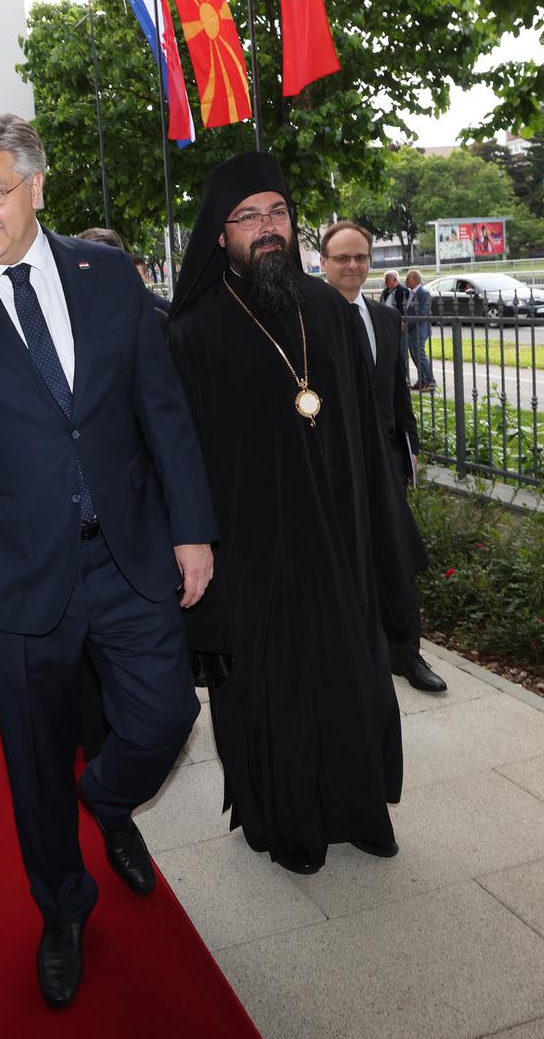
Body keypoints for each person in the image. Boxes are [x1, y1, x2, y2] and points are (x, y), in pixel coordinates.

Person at [0, 110, 215, 1009]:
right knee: (30, 759)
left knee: (165, 716)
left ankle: (107, 800)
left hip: (128, 552)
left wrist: (192, 529)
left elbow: (160, 409)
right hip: (17, 575)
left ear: (35, 185)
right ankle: (62, 907)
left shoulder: (105, 275)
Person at [166, 152, 425, 877]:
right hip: (253, 555)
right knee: (273, 691)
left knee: (351, 673)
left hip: (337, 540)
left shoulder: (327, 312)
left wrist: (381, 534)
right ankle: (287, 826)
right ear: (221, 237)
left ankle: (359, 808)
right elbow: (180, 458)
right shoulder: (191, 335)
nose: (266, 227)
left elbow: (365, 438)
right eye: (246, 217)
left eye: (275, 211)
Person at [320, 222, 445, 694]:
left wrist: (407, 453)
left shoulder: (386, 320)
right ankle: (348, 662)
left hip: (384, 468)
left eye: (361, 258)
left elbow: (396, 397)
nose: (353, 266)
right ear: (324, 264)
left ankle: (406, 654)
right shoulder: (307, 323)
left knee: (395, 561)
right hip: (333, 469)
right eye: (342, 259)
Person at [404, 268, 437, 391]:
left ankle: (430, 381)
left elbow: (422, 314)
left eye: (408, 278)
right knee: (414, 356)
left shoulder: (423, 293)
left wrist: (407, 324)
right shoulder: (410, 293)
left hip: (419, 330)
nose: (405, 281)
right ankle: (422, 380)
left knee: (420, 356)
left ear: (415, 280)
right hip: (411, 330)